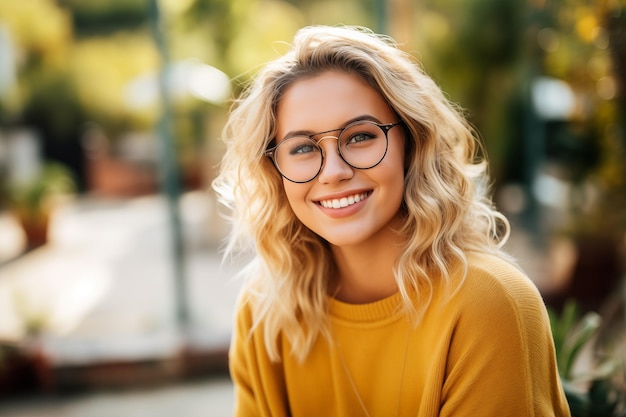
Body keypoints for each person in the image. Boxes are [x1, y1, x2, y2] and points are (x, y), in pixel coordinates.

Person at [213, 25, 570, 417]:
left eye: (360, 137)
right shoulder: (265, 311)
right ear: (274, 170)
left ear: (412, 144)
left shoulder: (489, 304)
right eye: (301, 147)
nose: (333, 171)